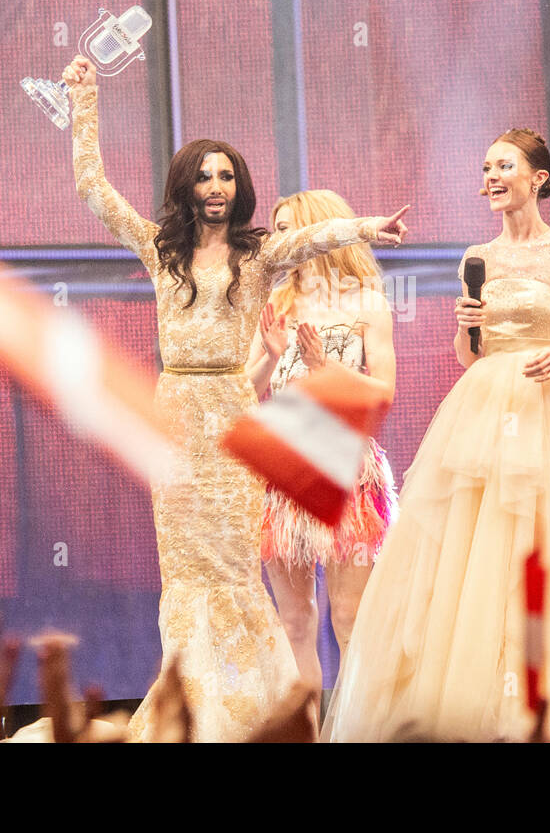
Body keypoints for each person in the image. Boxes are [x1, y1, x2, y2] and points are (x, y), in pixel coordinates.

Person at [63, 56, 410, 741]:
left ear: (238, 186)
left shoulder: (257, 257)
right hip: (173, 413)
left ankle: (255, 711)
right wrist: (84, 101)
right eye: (204, 174)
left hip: (231, 409)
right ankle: (190, 705)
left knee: (233, 571)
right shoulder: (161, 251)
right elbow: (93, 189)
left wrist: (366, 227)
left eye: (226, 175)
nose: (215, 185)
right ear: (187, 185)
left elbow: (310, 235)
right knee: (185, 572)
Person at [324, 129, 550, 742]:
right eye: (486, 166)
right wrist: (469, 328)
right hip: (484, 404)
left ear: (537, 178)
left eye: (504, 165)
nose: (491, 176)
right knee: (479, 547)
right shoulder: (475, 257)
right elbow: (468, 356)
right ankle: (487, 701)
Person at [244, 189, 399, 703]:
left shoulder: (367, 302)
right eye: (277, 229)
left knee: (350, 615)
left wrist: (325, 368)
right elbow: (246, 385)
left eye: (291, 229)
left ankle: (360, 728)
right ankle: (302, 731)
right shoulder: (276, 303)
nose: (281, 241)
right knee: (293, 620)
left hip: (344, 465)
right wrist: (270, 357)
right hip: (284, 466)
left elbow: (383, 393)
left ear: (320, 232)